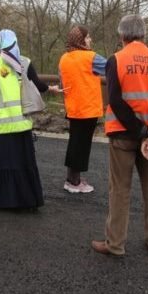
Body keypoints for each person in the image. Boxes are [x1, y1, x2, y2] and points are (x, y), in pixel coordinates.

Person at [91, 15, 148, 256]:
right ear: (143, 34)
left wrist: (138, 131)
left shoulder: (116, 60)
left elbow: (116, 101)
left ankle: (115, 244)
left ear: (122, 36)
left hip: (123, 135)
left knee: (119, 189)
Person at [0, 29, 59, 211]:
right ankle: (26, 200)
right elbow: (37, 84)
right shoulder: (24, 62)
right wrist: (51, 89)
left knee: (3, 163)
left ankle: (1, 199)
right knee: (24, 163)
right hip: (21, 122)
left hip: (2, 125)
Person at [57, 25, 106, 194]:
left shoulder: (64, 58)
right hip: (88, 108)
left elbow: (63, 82)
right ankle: (74, 182)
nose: (90, 40)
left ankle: (72, 179)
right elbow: (112, 67)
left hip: (73, 108)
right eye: (87, 37)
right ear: (81, 40)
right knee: (81, 146)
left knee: (75, 144)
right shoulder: (91, 57)